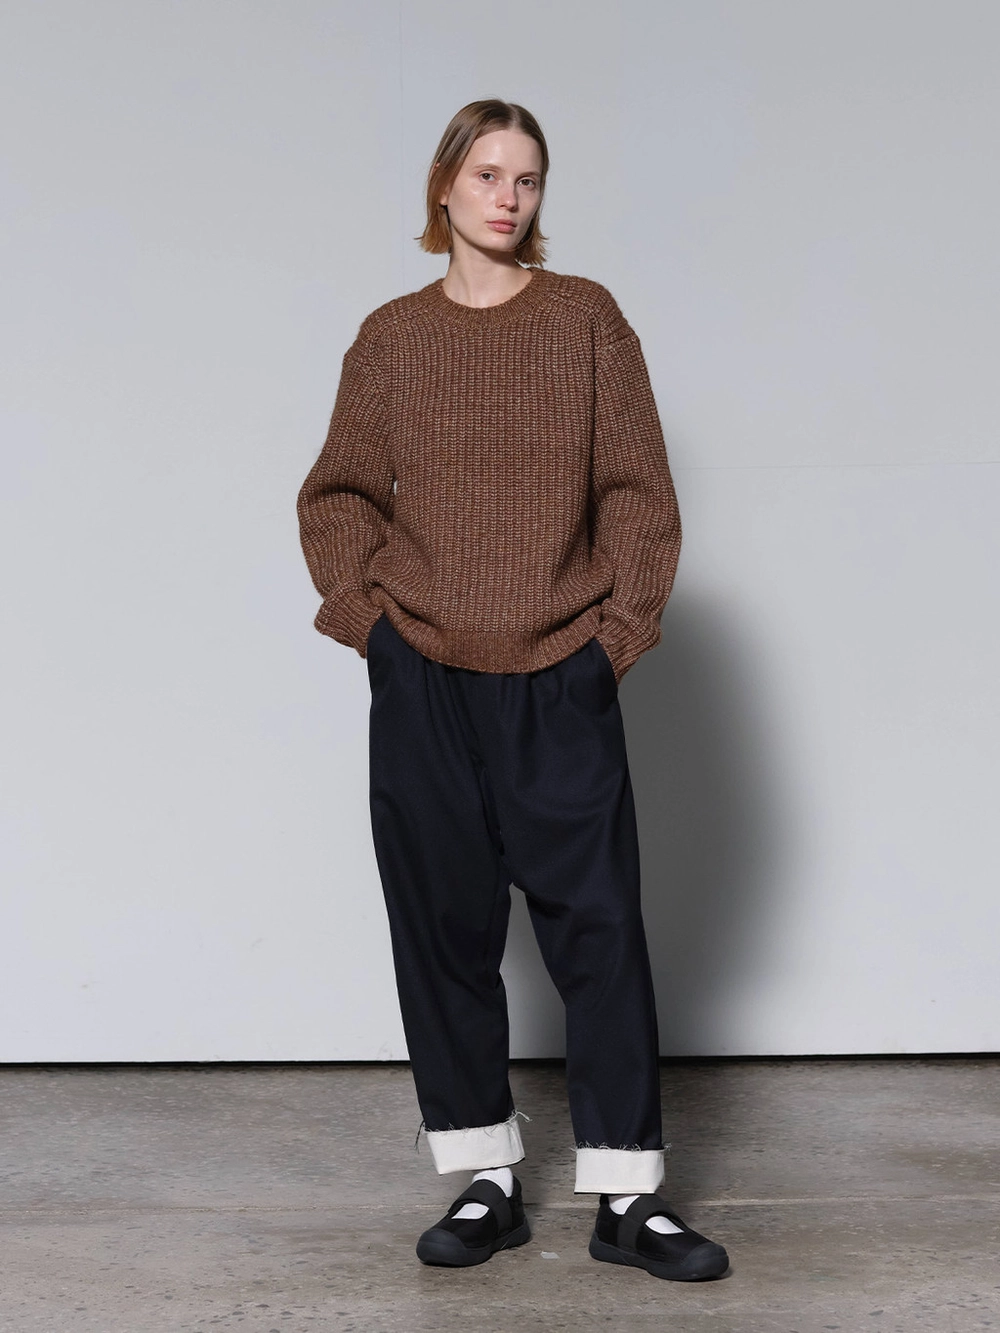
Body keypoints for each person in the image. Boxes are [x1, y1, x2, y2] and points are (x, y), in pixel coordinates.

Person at [296, 98, 729, 1282]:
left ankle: (627, 1196)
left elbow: (638, 493)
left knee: (600, 931)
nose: (507, 197)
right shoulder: (391, 338)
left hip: (558, 677)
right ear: (444, 185)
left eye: (526, 179)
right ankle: (484, 1177)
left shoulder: (585, 320)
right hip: (424, 677)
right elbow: (338, 495)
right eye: (487, 174)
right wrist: (374, 632)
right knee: (442, 929)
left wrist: (613, 640)